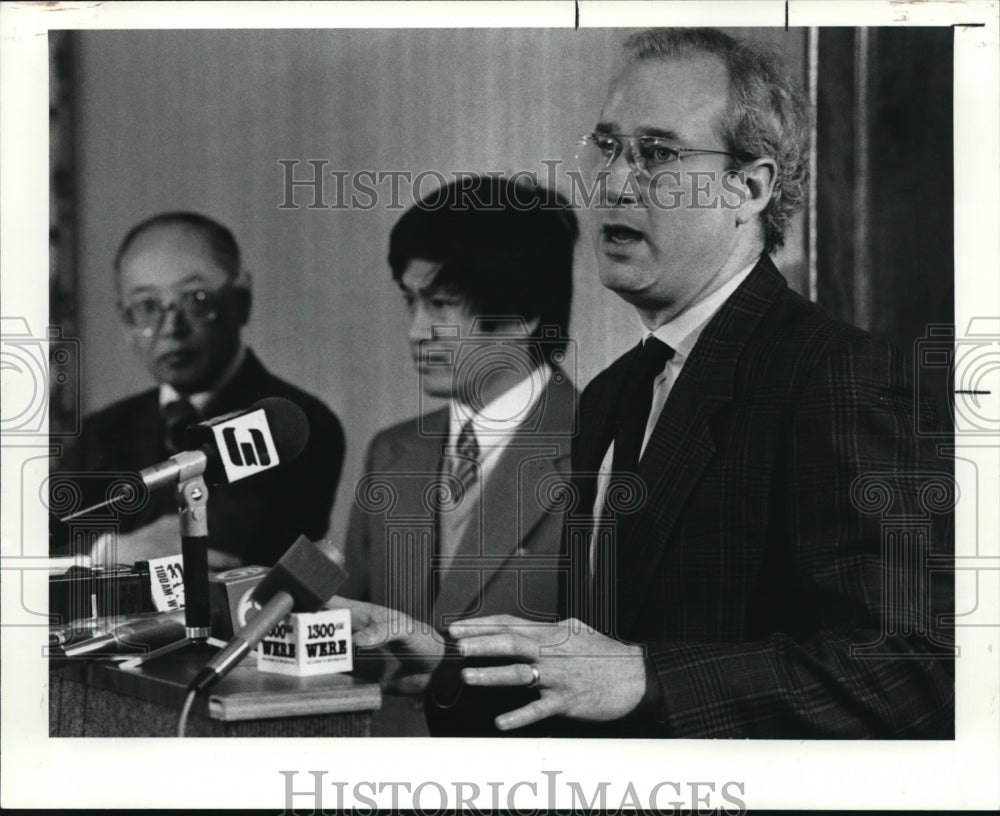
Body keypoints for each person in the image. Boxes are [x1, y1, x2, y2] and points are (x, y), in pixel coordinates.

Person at [339, 28, 954, 738]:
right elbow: (589, 672)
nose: (614, 182)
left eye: (657, 154)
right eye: (607, 146)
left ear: (749, 189)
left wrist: (649, 673)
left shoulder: (837, 376)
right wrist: (449, 667)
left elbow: (918, 667)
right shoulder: (613, 394)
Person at [340, 176, 578, 736]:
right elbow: (352, 641)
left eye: (441, 304)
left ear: (524, 314)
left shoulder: (604, 452)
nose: (416, 331)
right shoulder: (391, 451)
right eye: (410, 300)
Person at [50, 211, 345, 569]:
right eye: (147, 306)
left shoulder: (291, 420)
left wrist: (103, 552)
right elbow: (40, 550)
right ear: (126, 321)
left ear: (241, 301)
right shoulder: (102, 432)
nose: (171, 327)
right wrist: (107, 553)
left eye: (196, 299)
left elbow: (218, 546)